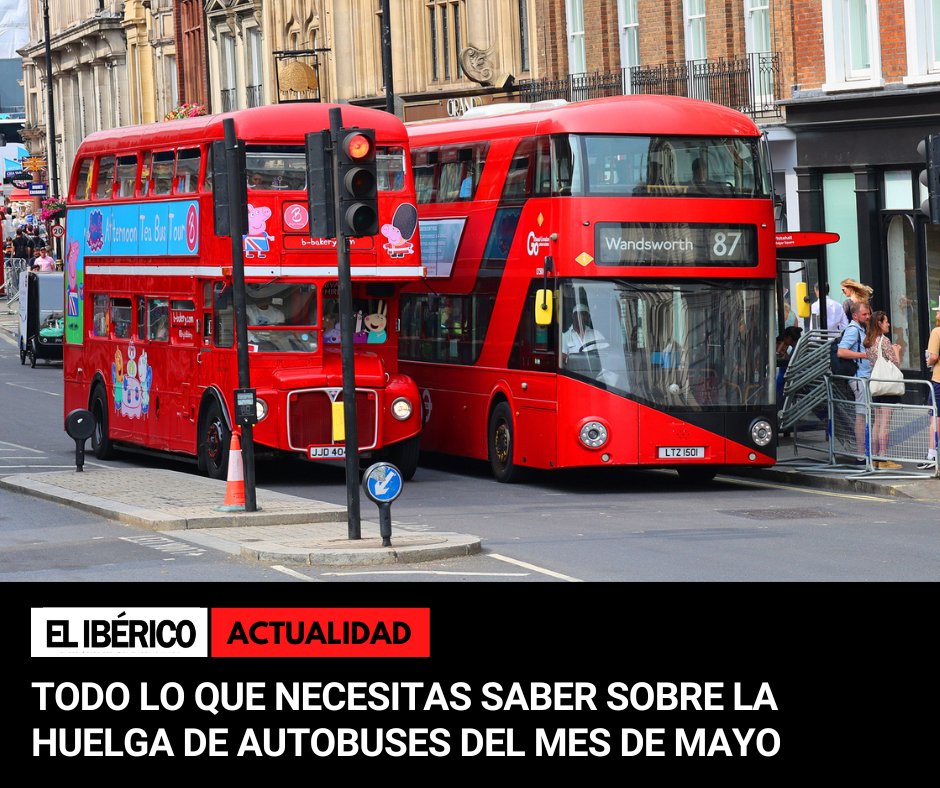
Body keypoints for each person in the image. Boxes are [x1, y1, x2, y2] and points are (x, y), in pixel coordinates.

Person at [864, 311, 904, 470]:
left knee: (877, 423)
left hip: (876, 384)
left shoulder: (869, 341)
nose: (888, 324)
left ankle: (875, 457)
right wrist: (897, 351)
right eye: (886, 321)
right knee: (885, 424)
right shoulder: (884, 341)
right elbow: (896, 363)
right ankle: (884, 458)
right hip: (887, 386)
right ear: (879, 323)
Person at [837, 300, 872, 462]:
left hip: (863, 376)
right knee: (861, 415)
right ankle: (860, 454)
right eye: (864, 314)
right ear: (855, 315)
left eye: (869, 313)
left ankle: (864, 451)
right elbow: (841, 352)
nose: (868, 316)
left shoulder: (861, 329)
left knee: (864, 414)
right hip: (858, 378)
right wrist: (863, 355)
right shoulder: (853, 330)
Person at [920, 301, 940, 469]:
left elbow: (933, 357)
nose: (937, 314)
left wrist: (928, 361)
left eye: (938, 311)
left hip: (939, 380)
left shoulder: (936, 332)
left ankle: (932, 455)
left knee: (935, 418)